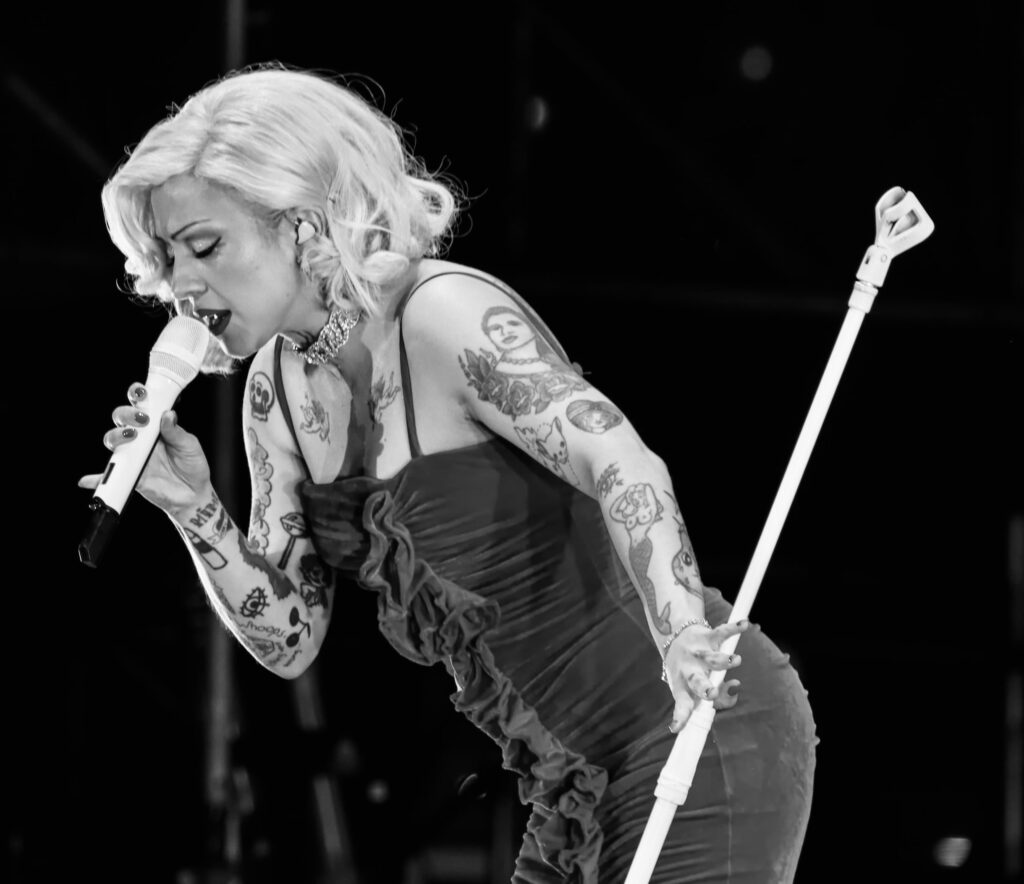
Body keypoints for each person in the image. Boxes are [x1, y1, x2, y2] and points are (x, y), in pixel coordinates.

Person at [80, 64, 817, 883]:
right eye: (166, 257)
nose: (180, 285)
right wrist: (194, 508)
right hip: (571, 784)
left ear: (300, 224)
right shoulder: (274, 394)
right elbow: (290, 639)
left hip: (690, 727)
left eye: (204, 246)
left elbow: (619, 458)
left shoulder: (439, 313)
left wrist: (681, 633)